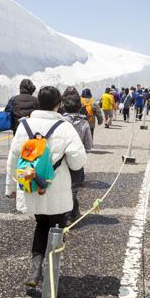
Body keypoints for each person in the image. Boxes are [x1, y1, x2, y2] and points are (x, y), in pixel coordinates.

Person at [6, 86, 87, 288]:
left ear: (38, 103)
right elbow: (77, 161)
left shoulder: (24, 126)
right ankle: (52, 272)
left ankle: (35, 270)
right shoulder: (65, 127)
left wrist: (11, 187)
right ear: (58, 104)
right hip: (56, 187)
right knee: (57, 227)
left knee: (41, 224)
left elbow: (13, 158)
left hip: (32, 185)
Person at [61, 87, 92, 222]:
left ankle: (73, 212)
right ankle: (67, 215)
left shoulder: (60, 121)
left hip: (61, 159)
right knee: (73, 188)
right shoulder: (84, 123)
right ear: (79, 107)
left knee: (62, 187)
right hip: (77, 159)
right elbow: (89, 145)